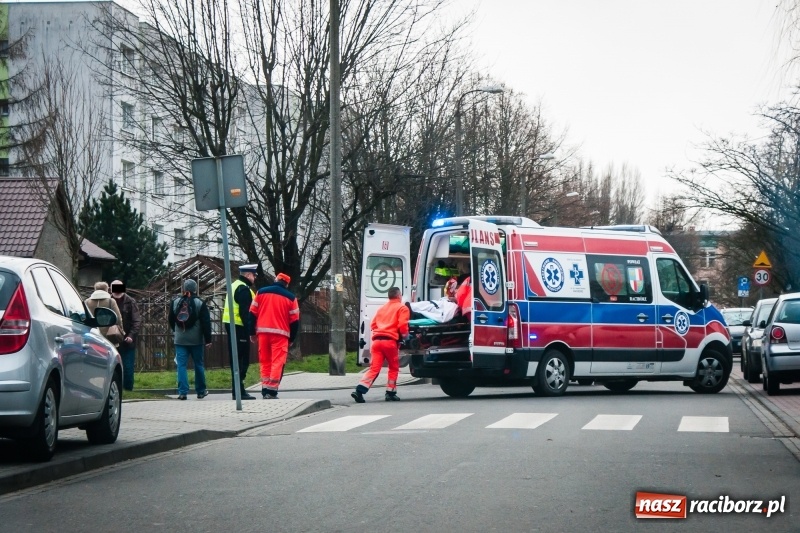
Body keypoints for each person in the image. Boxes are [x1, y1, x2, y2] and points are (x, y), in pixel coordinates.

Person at [351, 286, 410, 403]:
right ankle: (390, 393)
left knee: (374, 368)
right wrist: (405, 337)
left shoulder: (381, 309)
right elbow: (403, 326)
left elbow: (373, 325)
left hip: (377, 342)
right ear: (399, 296)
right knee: (393, 367)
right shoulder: (402, 308)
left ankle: (359, 391)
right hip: (390, 342)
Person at [249, 272, 299, 399]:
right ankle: (272, 391)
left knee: (265, 360)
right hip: (281, 335)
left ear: (276, 279)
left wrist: (252, 332)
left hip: (263, 333)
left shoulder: (261, 292)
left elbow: (252, 314)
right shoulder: (291, 298)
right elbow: (295, 321)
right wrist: (292, 339)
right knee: (277, 362)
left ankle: (265, 388)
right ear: (286, 284)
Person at [168, 279, 212, 400]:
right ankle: (201, 391)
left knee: (181, 365)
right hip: (196, 340)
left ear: (184, 289)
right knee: (198, 365)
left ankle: (183, 392)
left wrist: (176, 331)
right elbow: (206, 323)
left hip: (180, 339)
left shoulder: (176, 302)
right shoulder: (200, 303)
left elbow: (171, 319)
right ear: (195, 289)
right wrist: (208, 339)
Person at [223, 263, 257, 400]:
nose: (254, 278)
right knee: (242, 360)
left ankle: (237, 390)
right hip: (239, 328)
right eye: (254, 275)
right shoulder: (243, 289)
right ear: (248, 275)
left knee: (236, 360)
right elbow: (245, 313)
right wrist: (251, 331)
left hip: (232, 326)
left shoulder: (234, 285)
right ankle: (239, 391)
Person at [110, 280, 142, 391]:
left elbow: (136, 321)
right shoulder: (109, 301)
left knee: (128, 367)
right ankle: (117, 390)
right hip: (112, 340)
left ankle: (128, 389)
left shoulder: (130, 302)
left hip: (127, 341)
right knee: (113, 368)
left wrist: (131, 336)